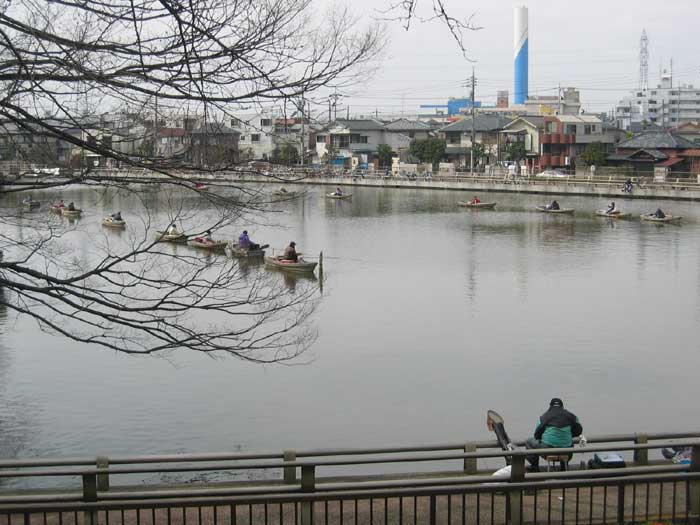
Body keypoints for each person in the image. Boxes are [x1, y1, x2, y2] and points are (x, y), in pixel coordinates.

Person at [526, 398, 583, 472]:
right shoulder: (572, 416)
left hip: (547, 452)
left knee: (529, 442)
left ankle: (535, 468)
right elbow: (579, 431)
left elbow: (536, 435)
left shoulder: (544, 417)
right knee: (568, 442)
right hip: (567, 452)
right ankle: (563, 468)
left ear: (550, 407)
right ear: (562, 407)